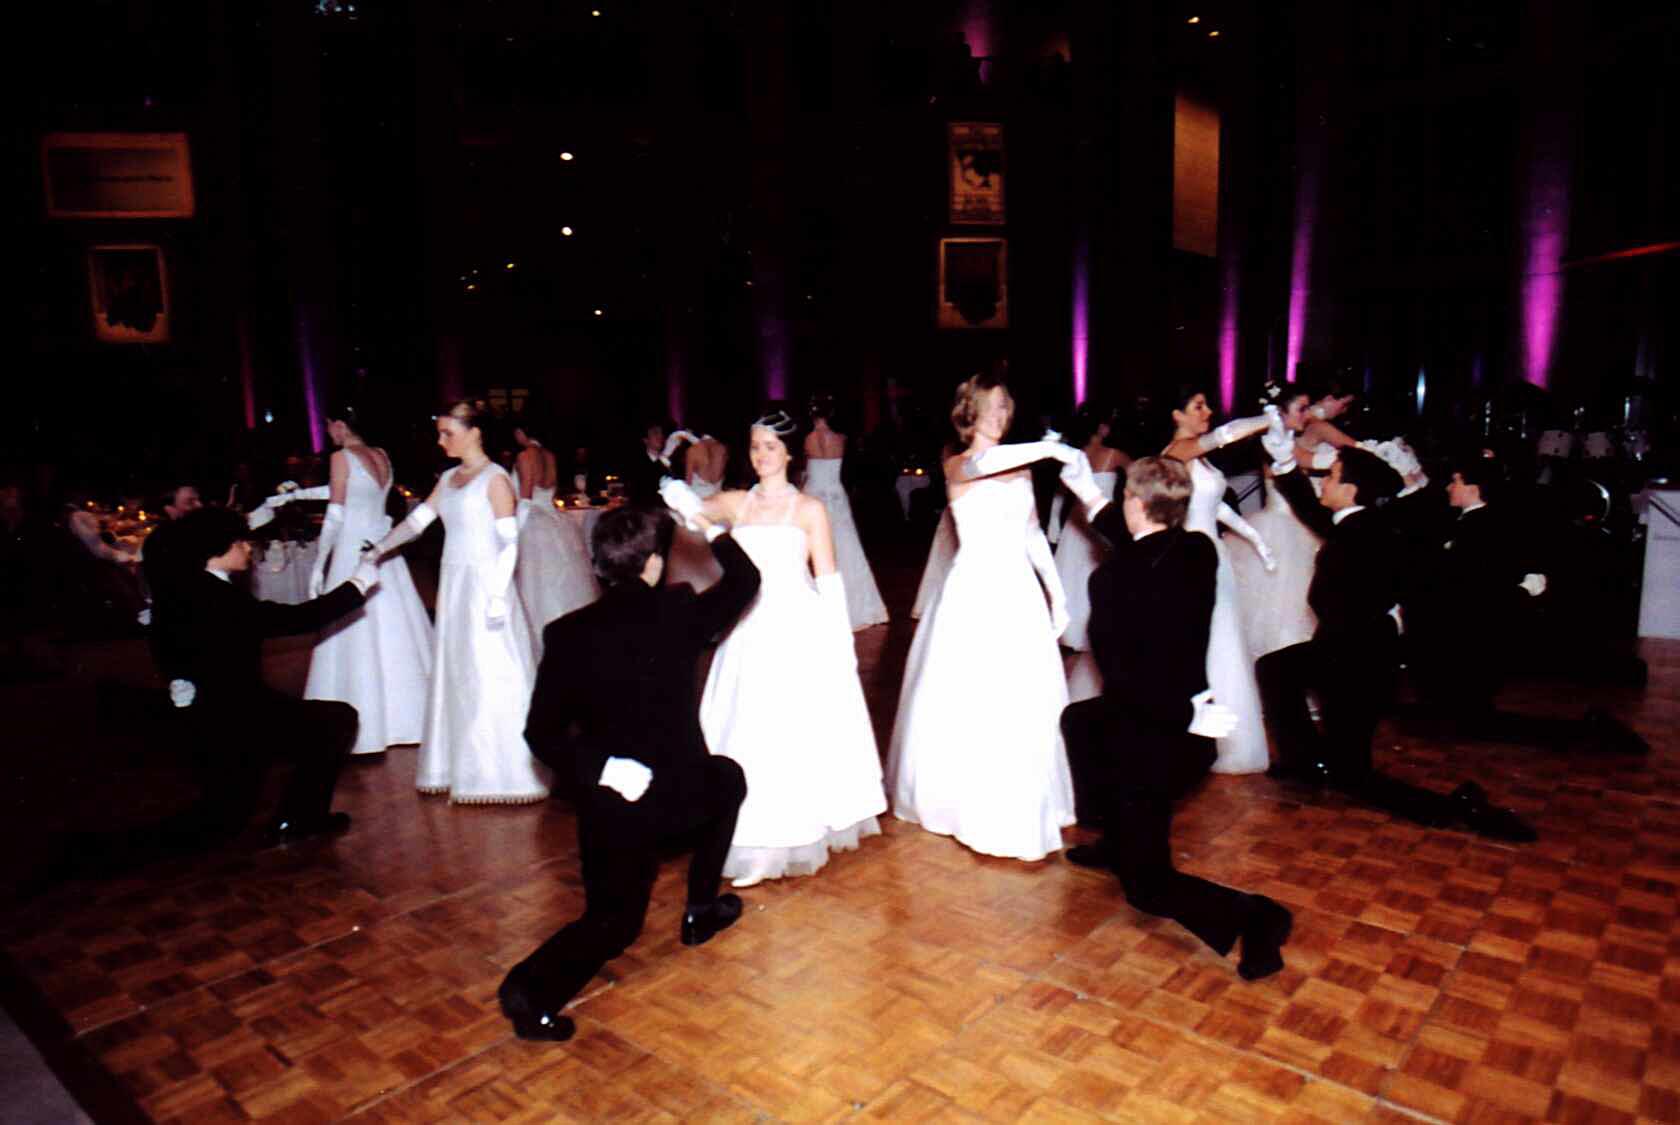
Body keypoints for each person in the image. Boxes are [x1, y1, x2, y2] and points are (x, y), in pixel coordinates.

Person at [501, 489, 760, 1042]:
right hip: (677, 800)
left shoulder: (566, 633)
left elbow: (539, 734)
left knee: (613, 922)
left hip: (609, 810)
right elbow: (746, 581)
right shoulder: (679, 609)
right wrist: (706, 525)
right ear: (654, 563)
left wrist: (602, 768)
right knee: (728, 777)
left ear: (598, 565)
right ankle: (699, 907)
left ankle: (532, 988)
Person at [1058, 455, 1293, 980]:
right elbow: (1145, 545)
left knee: (1147, 888)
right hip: (1189, 726)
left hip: (1153, 739)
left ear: (1135, 504)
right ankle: (1116, 842)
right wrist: (1099, 507)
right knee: (1080, 719)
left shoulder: (1112, 579)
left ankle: (1258, 917)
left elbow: (1119, 670)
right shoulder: (1198, 549)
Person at [1254, 433, 1537, 840]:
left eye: (1331, 477)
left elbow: (1374, 583)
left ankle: (1457, 809)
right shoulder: (1360, 522)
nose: (1324, 486)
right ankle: (1305, 763)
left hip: (1358, 660)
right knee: (1279, 673)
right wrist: (1284, 465)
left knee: (1351, 773)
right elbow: (1315, 513)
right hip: (1352, 650)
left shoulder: (1363, 533)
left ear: (1350, 491)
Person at [887, 374, 1077, 861]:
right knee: (974, 697)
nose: (1001, 414)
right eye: (993, 406)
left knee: (1023, 697)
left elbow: (1034, 535)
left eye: (1006, 406)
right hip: (975, 593)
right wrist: (1048, 449)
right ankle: (961, 804)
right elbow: (987, 461)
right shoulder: (958, 463)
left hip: (1019, 594)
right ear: (969, 411)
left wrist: (1058, 597)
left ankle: (1028, 801)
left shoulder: (1022, 468)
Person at [698, 410, 886, 886]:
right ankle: (741, 831)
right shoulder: (738, 503)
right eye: (755, 445)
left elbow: (829, 580)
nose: (760, 455)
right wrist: (688, 506)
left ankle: (781, 837)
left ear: (789, 453)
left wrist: (842, 644)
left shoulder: (809, 509)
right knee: (743, 726)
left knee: (783, 730)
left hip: (794, 628)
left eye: (770, 447)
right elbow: (694, 514)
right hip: (747, 629)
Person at [147, 506, 377, 846]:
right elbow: (296, 619)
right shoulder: (217, 598)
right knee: (336, 719)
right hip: (236, 720)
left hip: (219, 716)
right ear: (214, 552)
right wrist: (358, 583)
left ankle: (293, 817)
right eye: (239, 542)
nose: (247, 549)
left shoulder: (186, 591)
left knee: (224, 818)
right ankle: (300, 819)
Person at [1399, 450, 1647, 754]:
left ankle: (1590, 733)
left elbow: (1475, 588)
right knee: (1463, 713)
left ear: (1472, 488)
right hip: (1471, 635)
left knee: (1471, 716)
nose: (1450, 487)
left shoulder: (1478, 529)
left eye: (1455, 481)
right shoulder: (1475, 523)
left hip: (1469, 638)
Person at [368, 400, 549, 803]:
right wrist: (378, 548)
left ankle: (501, 772)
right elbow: (418, 522)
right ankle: (456, 765)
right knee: (457, 670)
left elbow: (509, 542)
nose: (440, 440)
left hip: (486, 586)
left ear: (474, 433)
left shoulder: (496, 479)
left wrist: (499, 596)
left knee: (489, 670)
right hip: (455, 584)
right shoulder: (449, 478)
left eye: (448, 432)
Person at [303, 405, 434, 755]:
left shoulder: (341, 457)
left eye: (328, 425)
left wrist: (319, 562)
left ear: (341, 425)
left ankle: (361, 722)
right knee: (396, 628)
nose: (328, 432)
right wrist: (292, 495)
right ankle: (409, 716)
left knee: (350, 627)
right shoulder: (381, 455)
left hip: (351, 547)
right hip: (381, 546)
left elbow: (335, 513)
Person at [1161, 386, 1278, 774]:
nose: (1207, 410)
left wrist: (1256, 538)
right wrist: (1270, 419)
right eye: (1198, 405)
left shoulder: (1203, 461)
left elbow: (1217, 507)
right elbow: (1226, 434)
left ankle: (1227, 737)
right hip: (1191, 560)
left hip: (1216, 556)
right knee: (1202, 642)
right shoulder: (1176, 453)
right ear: (1176, 415)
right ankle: (1198, 736)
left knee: (1224, 641)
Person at [802, 397, 889, 630]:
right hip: (835, 494)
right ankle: (857, 605)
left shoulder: (808, 440)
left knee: (814, 550)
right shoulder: (840, 439)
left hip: (813, 493)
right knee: (847, 548)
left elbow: (806, 472)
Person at [511, 420, 601, 640]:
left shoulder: (524, 456)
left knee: (535, 584)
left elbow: (525, 497)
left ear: (522, 432)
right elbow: (551, 491)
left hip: (532, 520)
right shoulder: (550, 456)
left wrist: (513, 532)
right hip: (553, 518)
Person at [1052, 406, 1131, 652]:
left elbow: (1059, 497)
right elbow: (1141, 476)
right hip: (1101, 519)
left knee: (1071, 574)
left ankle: (1069, 632)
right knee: (1092, 574)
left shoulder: (1076, 455)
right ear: (1102, 428)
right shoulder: (1114, 455)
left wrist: (1053, 529)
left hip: (1076, 519)